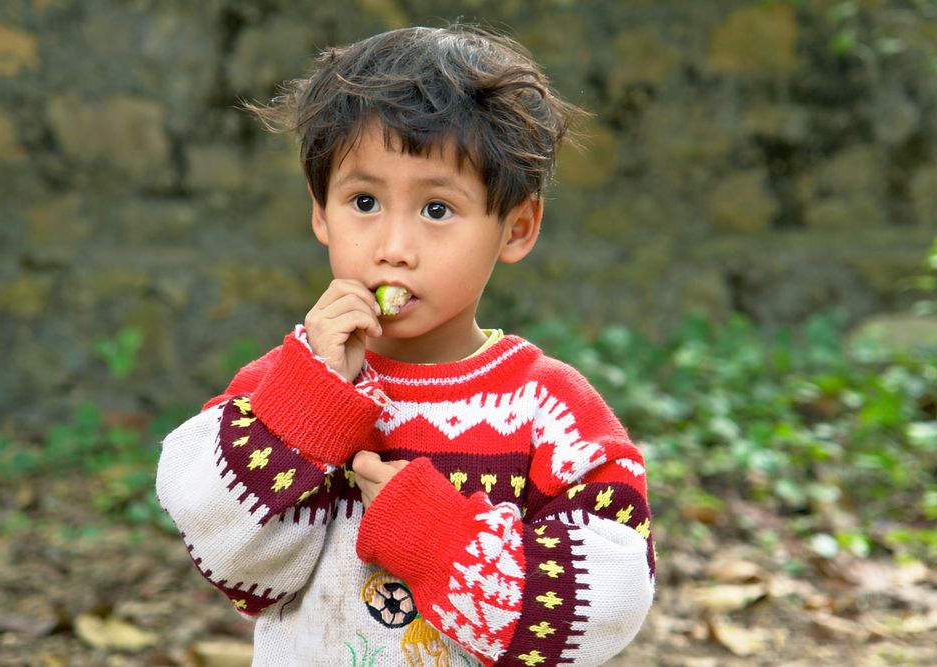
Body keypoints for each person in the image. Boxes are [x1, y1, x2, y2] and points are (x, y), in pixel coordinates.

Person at [156, 24, 655, 667]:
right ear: (319, 212)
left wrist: (435, 536)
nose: (393, 246)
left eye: (437, 210)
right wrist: (307, 406)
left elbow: (607, 606)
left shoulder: (547, 409)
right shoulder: (287, 386)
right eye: (363, 201)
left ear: (517, 227)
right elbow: (234, 565)